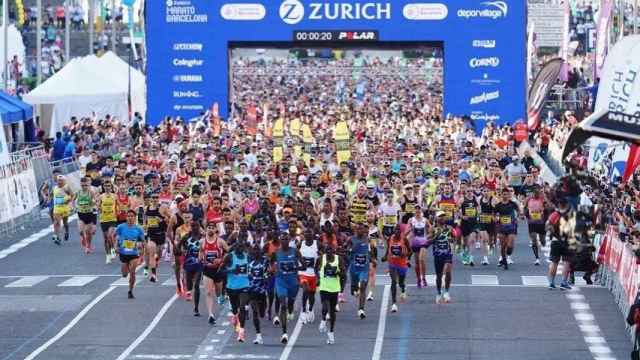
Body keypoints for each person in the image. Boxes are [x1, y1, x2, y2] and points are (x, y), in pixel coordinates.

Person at [271, 233, 301, 344]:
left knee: (290, 303)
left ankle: (291, 308)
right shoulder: (276, 253)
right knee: (283, 304)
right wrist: (273, 269)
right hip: (281, 281)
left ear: (289, 240)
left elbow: (304, 266)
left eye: (286, 239)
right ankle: (284, 333)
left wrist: (294, 266)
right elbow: (271, 263)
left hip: (293, 282)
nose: (284, 241)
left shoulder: (295, 252)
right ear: (280, 240)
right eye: (282, 239)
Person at [200, 221, 228, 325]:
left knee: (218, 293)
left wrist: (221, 260)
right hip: (207, 269)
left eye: (212, 227)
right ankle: (210, 315)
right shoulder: (202, 242)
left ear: (215, 230)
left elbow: (228, 251)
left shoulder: (220, 241)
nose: (211, 229)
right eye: (209, 227)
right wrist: (201, 259)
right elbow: (200, 252)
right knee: (208, 292)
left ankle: (221, 296)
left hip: (218, 270)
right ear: (206, 229)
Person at [316, 244, 344, 345]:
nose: (328, 252)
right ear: (325, 251)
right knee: (325, 307)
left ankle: (331, 332)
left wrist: (336, 272)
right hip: (324, 287)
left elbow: (343, 274)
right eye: (326, 250)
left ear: (333, 251)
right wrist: (318, 278)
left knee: (332, 311)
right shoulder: (321, 259)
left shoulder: (338, 259)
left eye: (330, 250)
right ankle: (323, 320)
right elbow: (316, 269)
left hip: (334, 288)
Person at [224, 240, 250, 342]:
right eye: (238, 246)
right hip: (232, 287)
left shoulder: (247, 256)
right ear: (235, 247)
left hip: (244, 286)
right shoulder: (230, 256)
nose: (240, 248)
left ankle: (241, 331)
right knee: (235, 309)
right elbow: (221, 271)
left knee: (242, 307)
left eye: (241, 246)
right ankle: (235, 315)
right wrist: (232, 271)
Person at [116, 210, 145, 299]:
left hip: (134, 253)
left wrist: (142, 254)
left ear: (135, 217)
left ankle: (130, 291)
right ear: (126, 217)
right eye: (128, 216)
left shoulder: (139, 229)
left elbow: (143, 242)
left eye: (132, 216)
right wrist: (116, 247)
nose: (130, 218)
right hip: (123, 253)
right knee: (124, 274)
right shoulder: (121, 227)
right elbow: (115, 237)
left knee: (132, 272)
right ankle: (127, 268)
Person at [546, 197, 574, 290]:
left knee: (554, 262)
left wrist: (552, 231)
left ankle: (551, 283)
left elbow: (547, 225)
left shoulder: (554, 214)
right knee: (566, 262)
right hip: (566, 240)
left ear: (559, 205)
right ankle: (563, 282)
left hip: (555, 240)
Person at [428, 211, 454, 304]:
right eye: (440, 216)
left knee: (448, 271)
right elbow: (427, 242)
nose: (442, 218)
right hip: (437, 254)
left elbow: (454, 238)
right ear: (437, 218)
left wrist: (452, 239)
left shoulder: (449, 228)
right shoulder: (433, 229)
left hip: (448, 253)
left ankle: (446, 292)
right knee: (439, 276)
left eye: (443, 216)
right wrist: (436, 236)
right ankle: (439, 293)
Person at [384, 225, 410, 312]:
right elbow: (388, 249)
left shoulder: (404, 239)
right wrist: (384, 257)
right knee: (394, 281)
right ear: (394, 231)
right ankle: (394, 303)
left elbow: (410, 251)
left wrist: (405, 256)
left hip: (402, 264)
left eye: (399, 231)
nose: (397, 232)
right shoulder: (390, 238)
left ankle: (403, 289)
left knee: (401, 282)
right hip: (392, 263)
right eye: (396, 230)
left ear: (401, 232)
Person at [248, 243, 269, 344]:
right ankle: (258, 335)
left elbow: (267, 272)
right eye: (254, 250)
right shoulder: (249, 261)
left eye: (257, 249)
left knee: (261, 312)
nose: (255, 251)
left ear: (260, 251)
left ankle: (263, 307)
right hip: (252, 290)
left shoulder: (264, 260)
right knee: (255, 312)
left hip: (262, 289)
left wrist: (266, 276)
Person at [494, 188, 520, 270]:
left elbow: (519, 211)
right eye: (503, 194)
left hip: (511, 226)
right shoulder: (498, 205)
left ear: (509, 195)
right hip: (501, 227)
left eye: (506, 194)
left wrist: (517, 217)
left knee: (509, 246)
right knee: (502, 246)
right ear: (501, 195)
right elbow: (494, 214)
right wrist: (495, 218)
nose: (505, 196)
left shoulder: (513, 204)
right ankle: (504, 262)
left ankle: (509, 252)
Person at [349, 223, 370, 319]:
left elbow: (371, 250)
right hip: (354, 268)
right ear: (356, 230)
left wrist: (373, 259)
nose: (360, 231)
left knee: (362, 287)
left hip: (364, 269)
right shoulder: (351, 239)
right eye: (358, 229)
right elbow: (345, 249)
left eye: (362, 229)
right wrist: (351, 249)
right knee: (354, 289)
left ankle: (361, 309)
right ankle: (353, 287)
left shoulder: (367, 239)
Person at [298, 229, 319, 324]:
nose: (307, 234)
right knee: (305, 289)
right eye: (305, 232)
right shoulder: (300, 244)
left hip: (313, 273)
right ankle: (303, 311)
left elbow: (323, 255)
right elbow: (294, 253)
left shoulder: (317, 244)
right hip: (303, 273)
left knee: (311, 294)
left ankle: (310, 309)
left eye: (309, 232)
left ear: (312, 234)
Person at [525, 185, 547, 266]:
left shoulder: (542, 199)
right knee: (534, 239)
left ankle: (542, 242)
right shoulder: (529, 199)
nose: (536, 194)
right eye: (535, 193)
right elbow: (524, 206)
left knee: (542, 241)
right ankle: (537, 258)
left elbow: (548, 205)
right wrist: (527, 213)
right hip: (532, 223)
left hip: (541, 223)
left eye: (538, 192)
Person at [407, 205, 429, 286]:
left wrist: (428, 237)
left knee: (421, 260)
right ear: (414, 211)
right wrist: (410, 230)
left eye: (419, 209)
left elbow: (431, 230)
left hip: (423, 243)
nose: (417, 211)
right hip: (415, 243)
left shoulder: (425, 220)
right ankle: (419, 279)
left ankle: (424, 277)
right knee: (416, 263)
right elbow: (406, 231)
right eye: (416, 209)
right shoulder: (411, 220)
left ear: (421, 211)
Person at [76, 176, 97, 254]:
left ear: (88, 185)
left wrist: (94, 202)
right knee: (81, 231)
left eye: (86, 185)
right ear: (80, 185)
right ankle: (83, 238)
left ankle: (88, 246)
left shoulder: (91, 192)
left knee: (88, 232)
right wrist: (73, 206)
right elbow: (72, 200)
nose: (84, 187)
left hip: (89, 214)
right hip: (81, 214)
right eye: (82, 185)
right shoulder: (78, 192)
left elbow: (95, 203)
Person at [52, 175, 74, 245]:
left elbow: (73, 195)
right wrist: (48, 198)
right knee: (57, 222)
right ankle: (56, 236)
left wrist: (69, 201)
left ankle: (66, 231)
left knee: (65, 223)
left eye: (61, 180)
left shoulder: (66, 187)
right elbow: (51, 195)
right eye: (58, 180)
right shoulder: (54, 188)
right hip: (57, 208)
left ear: (64, 181)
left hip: (64, 208)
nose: (59, 182)